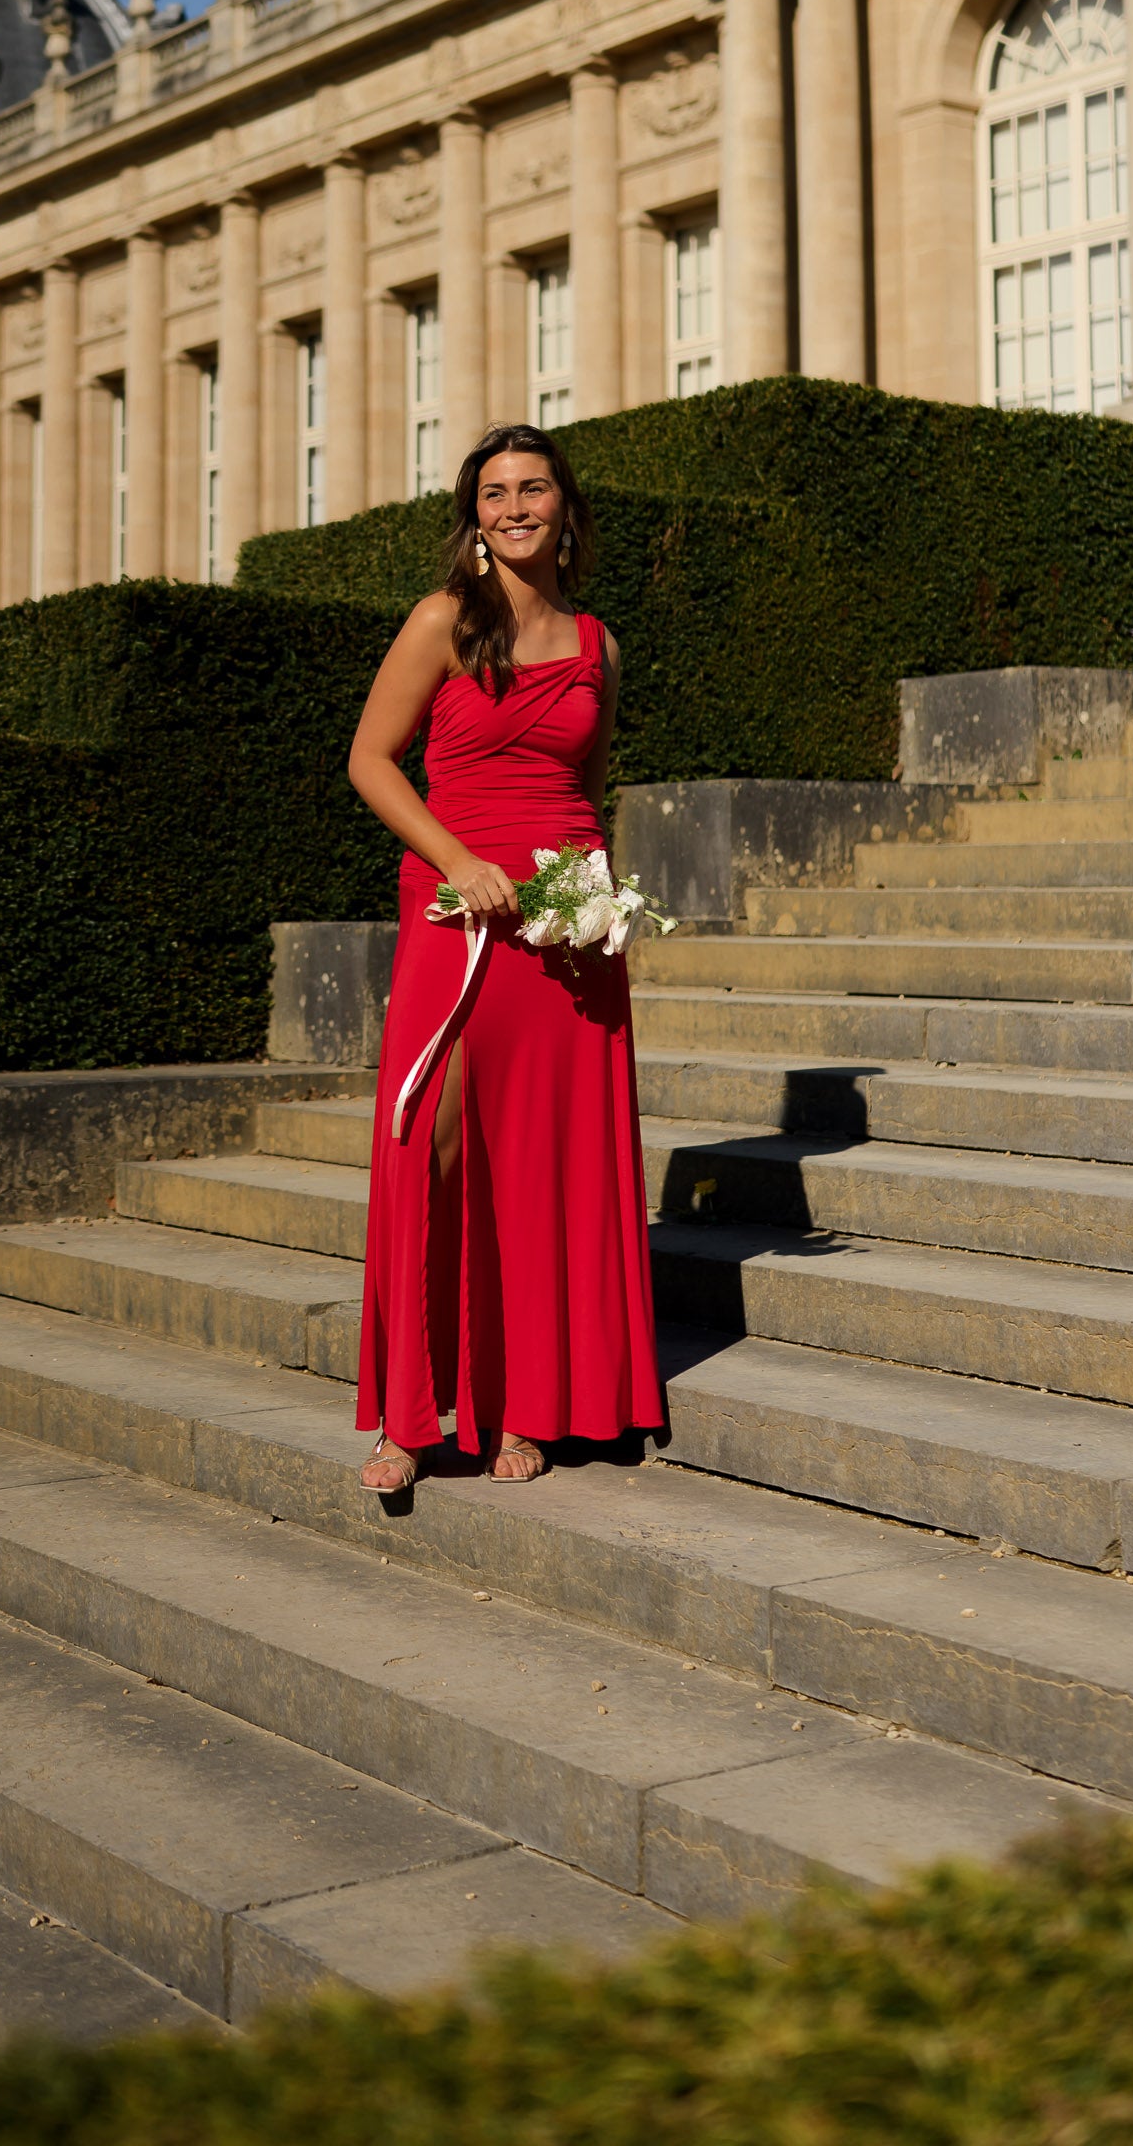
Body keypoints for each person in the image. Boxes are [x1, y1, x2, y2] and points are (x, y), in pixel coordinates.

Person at [346, 424, 665, 1490]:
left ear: (567, 512)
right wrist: (457, 858)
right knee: (427, 1135)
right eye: (494, 492)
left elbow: (585, 785)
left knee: (540, 1158)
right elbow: (369, 761)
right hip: (452, 899)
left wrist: (591, 899)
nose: (515, 506)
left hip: (562, 920)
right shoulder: (442, 621)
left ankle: (524, 1407)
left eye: (534, 489)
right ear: (472, 516)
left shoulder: (596, 644)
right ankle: (410, 1411)